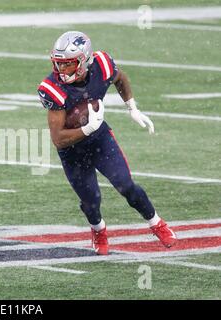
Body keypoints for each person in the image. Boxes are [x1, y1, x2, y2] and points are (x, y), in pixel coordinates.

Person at [37, 31, 176, 255]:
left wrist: (132, 107)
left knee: (126, 184)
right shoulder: (53, 88)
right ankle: (98, 229)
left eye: (68, 64)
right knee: (91, 200)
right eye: (58, 64)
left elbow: (120, 78)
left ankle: (156, 222)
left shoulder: (101, 65)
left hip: (99, 140)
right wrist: (87, 128)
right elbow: (58, 139)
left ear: (85, 60)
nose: (61, 70)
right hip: (72, 151)